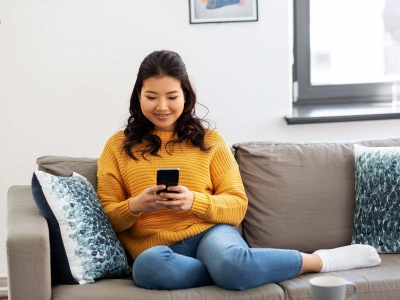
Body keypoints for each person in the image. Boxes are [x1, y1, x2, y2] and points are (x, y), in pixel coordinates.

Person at [97, 50, 381, 291]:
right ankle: (230, 272)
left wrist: (195, 201)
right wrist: (136, 205)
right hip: (157, 251)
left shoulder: (210, 141)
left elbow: (236, 206)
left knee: (230, 262)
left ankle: (321, 261)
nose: (162, 106)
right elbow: (108, 217)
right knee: (147, 268)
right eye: (151, 96)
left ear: (185, 95)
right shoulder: (117, 146)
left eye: (172, 96)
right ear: (138, 96)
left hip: (210, 236)